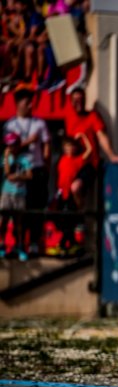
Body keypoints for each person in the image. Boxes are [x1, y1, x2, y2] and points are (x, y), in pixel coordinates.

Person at [3, 88, 49, 255]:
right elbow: (10, 149)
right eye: (26, 102)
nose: (30, 105)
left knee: (35, 206)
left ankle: (35, 242)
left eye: (31, 102)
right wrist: (28, 141)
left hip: (35, 168)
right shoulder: (10, 125)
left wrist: (46, 165)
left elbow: (46, 145)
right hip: (17, 169)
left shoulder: (39, 123)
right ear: (18, 104)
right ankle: (17, 243)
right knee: (16, 210)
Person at [0, 132, 33, 260]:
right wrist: (6, 157)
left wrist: (19, 176)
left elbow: (30, 175)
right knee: (3, 220)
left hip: (20, 193)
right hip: (6, 193)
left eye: (13, 145)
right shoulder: (4, 158)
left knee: (19, 222)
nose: (11, 148)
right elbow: (7, 173)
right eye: (9, 145)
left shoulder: (24, 159)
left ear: (18, 145)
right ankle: (2, 245)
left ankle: (20, 246)